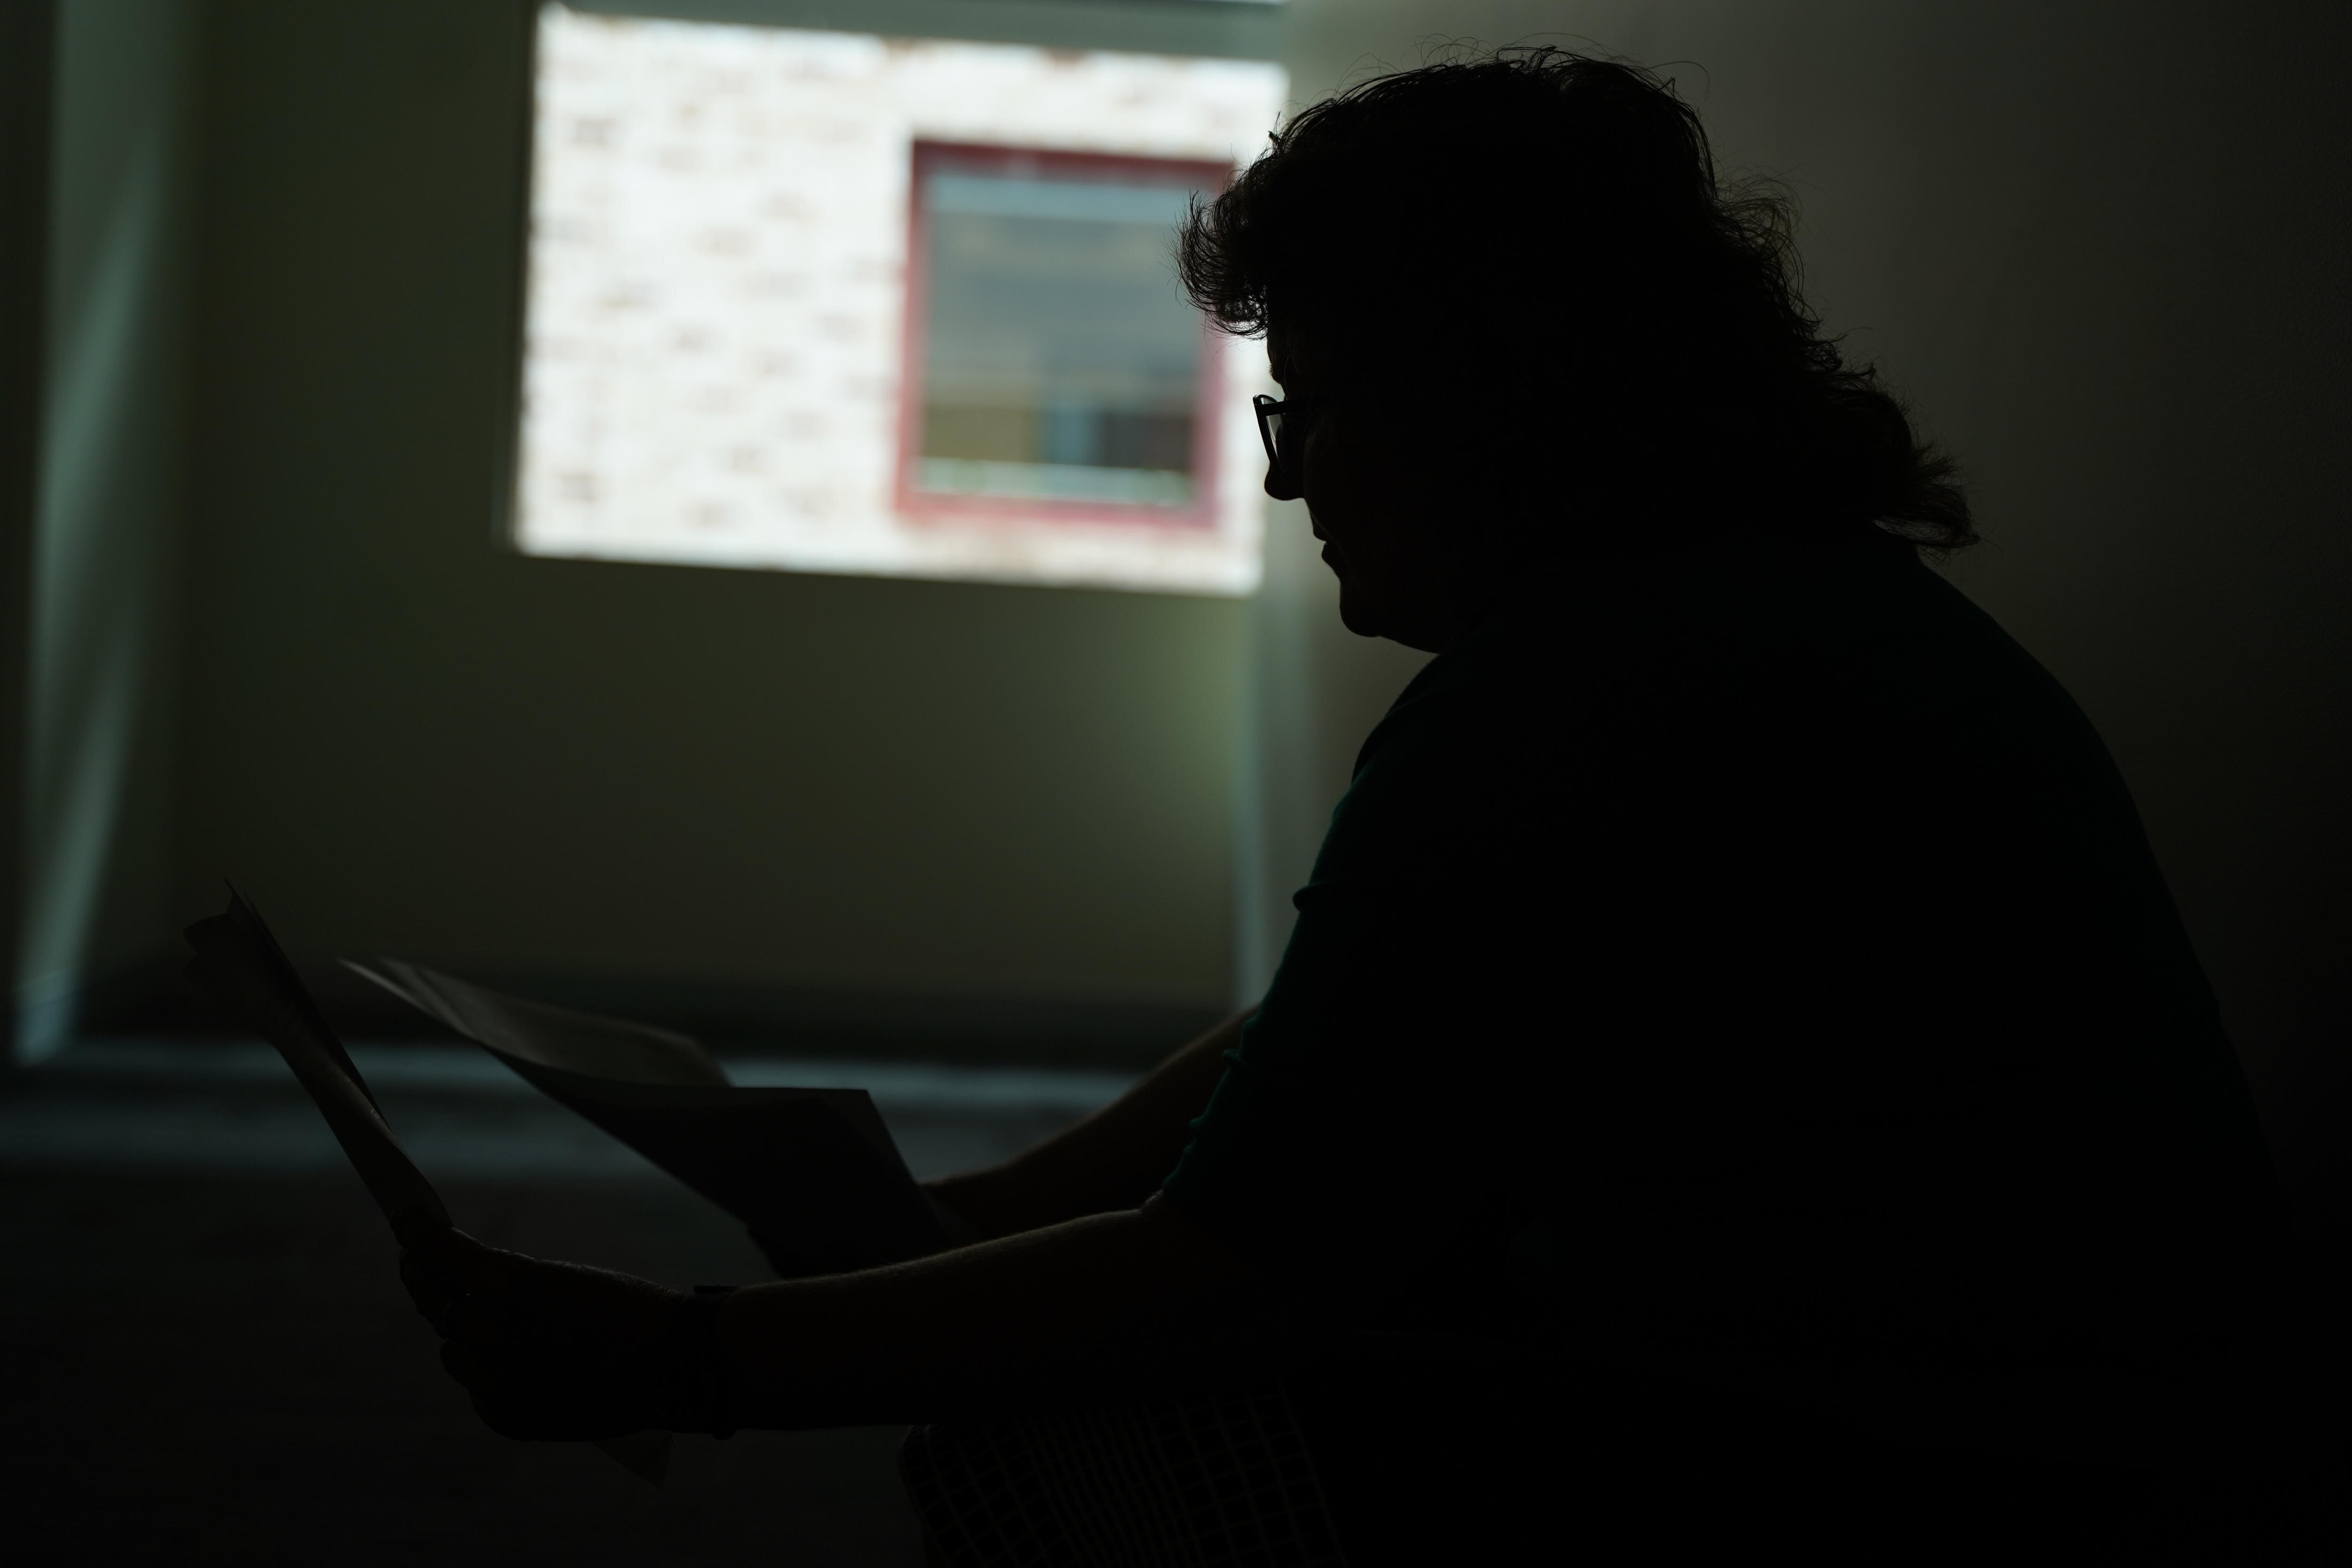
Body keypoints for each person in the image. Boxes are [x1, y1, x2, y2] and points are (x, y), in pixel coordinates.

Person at [399, 49, 2305, 1562]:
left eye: (1319, 406)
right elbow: (1378, 1021)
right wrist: (981, 1213)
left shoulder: (1587, 690)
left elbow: (1238, 1270)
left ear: (1509, 399)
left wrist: (676, 1364)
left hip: (1952, 1483)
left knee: (1066, 1444)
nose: (1292, 475)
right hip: (2073, 1427)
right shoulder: (1759, 615)